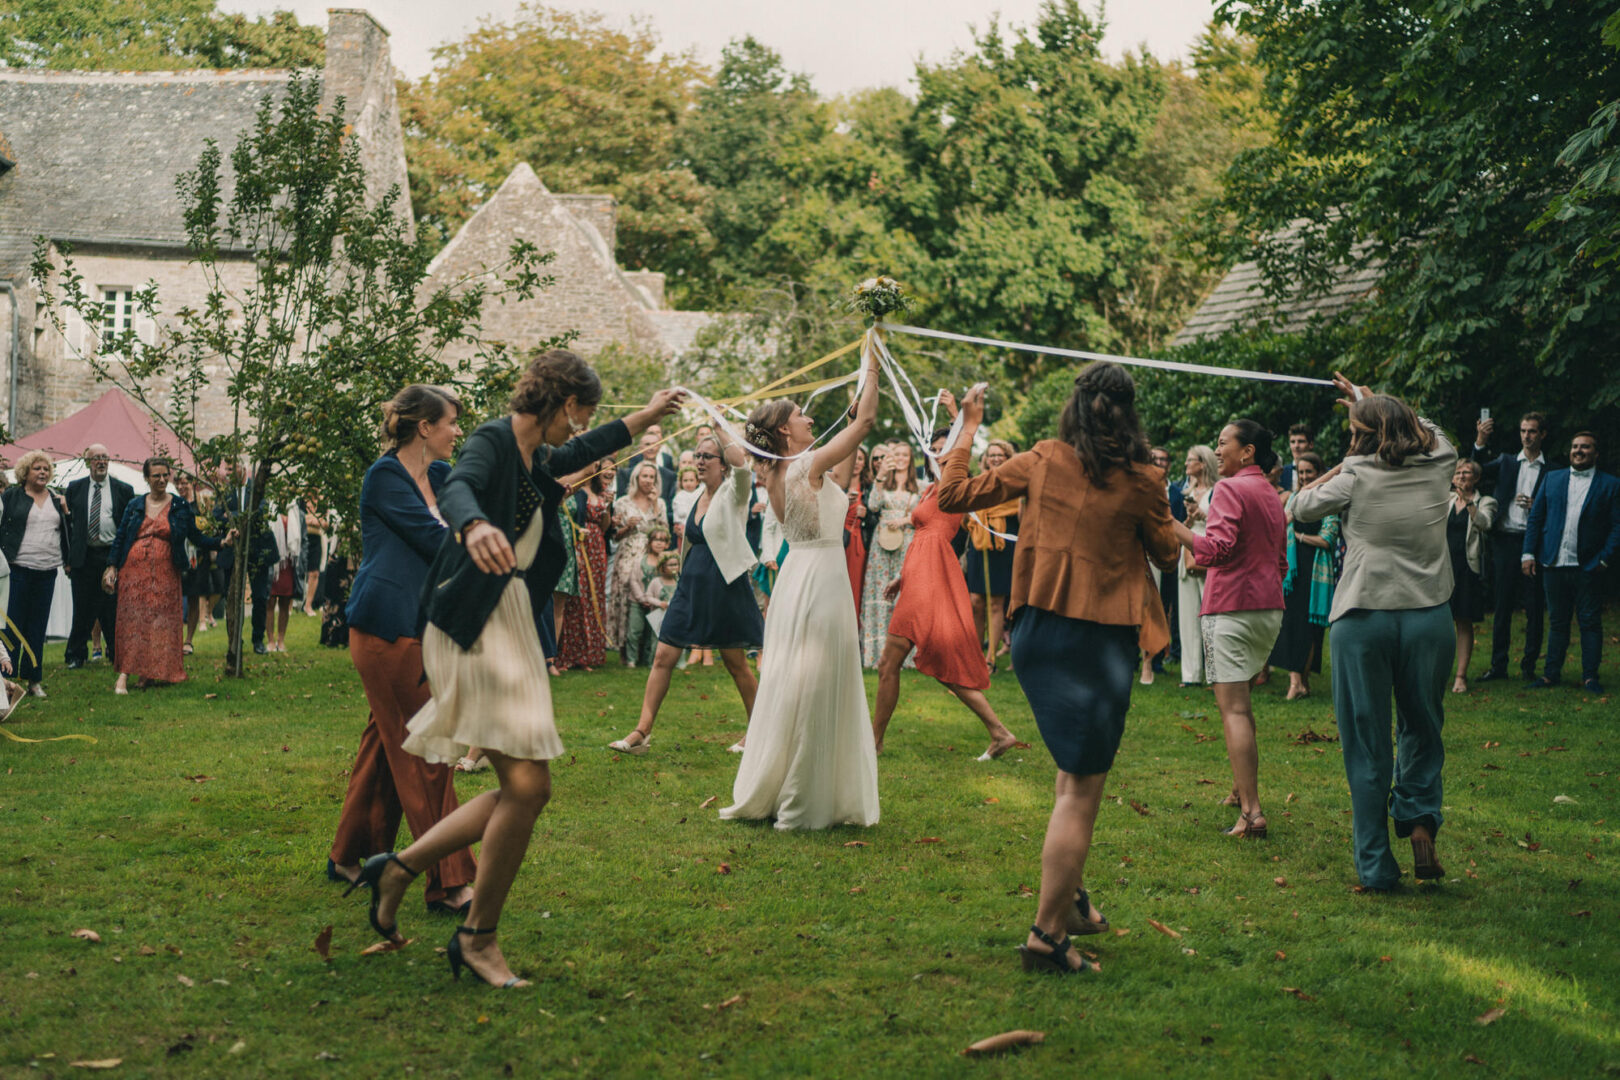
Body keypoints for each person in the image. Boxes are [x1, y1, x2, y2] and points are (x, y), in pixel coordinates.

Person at [357, 352, 681, 990]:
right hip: (477, 624)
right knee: (528, 788)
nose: (578, 426)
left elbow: (576, 453)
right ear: (564, 404)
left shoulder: (536, 454)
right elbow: (459, 485)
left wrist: (641, 416)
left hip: (506, 623)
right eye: (580, 413)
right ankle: (476, 937)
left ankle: (398, 869)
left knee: (526, 790)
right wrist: (472, 522)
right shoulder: (493, 441)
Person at [937, 364, 1178, 976]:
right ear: (1128, 413)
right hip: (1098, 643)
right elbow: (1167, 552)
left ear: (1075, 408)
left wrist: (966, 427)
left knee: (1068, 777)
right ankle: (1046, 935)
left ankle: (1069, 902)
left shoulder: (1042, 458)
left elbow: (952, 496)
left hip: (1036, 635)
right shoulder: (1144, 479)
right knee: (1079, 792)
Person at [1292, 376, 1456, 890]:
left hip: (1364, 617)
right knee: (1423, 727)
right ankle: (1421, 820)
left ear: (1362, 438)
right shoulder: (1441, 464)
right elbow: (1433, 431)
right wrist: (1375, 403)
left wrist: (1342, 465)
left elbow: (1295, 508)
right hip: (1429, 616)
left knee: (1366, 745)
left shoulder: (1353, 475)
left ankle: (1377, 868)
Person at [327, 385, 477, 915]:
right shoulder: (384, 477)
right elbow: (435, 541)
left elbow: (478, 501)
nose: (458, 432)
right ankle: (450, 879)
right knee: (427, 751)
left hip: (418, 626)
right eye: (452, 423)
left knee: (384, 748)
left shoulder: (439, 477)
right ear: (424, 428)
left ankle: (350, 855)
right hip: (386, 628)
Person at [721, 349, 882, 831]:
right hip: (821, 581)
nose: (810, 418)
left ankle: (790, 785)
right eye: (800, 415)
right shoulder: (804, 465)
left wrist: (853, 412)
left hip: (800, 580)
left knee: (800, 681)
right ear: (786, 431)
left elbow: (842, 478)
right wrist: (871, 363)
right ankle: (803, 797)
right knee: (818, 684)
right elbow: (869, 420)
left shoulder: (782, 473)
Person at [609, 427, 763, 754]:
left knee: (735, 663)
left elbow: (743, 465)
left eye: (707, 456)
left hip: (724, 585)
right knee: (664, 655)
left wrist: (719, 427)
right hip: (690, 585)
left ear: (723, 464)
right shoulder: (694, 497)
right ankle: (642, 731)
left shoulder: (735, 492)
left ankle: (758, 732)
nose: (699, 461)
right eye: (697, 457)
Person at [871, 425, 1020, 761]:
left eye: (946, 449)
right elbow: (922, 539)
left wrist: (961, 417)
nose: (939, 453)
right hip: (921, 573)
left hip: (933, 575)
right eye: (935, 448)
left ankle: (874, 742)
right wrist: (902, 578)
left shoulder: (957, 489)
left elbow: (934, 539)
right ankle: (999, 733)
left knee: (892, 661)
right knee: (925, 662)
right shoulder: (929, 490)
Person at [1171, 419, 1288, 839]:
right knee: (1243, 706)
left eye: (1223, 443)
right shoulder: (1272, 494)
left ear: (1248, 451)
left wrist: (1172, 527)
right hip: (1268, 608)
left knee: (1233, 710)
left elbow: (1215, 550)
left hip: (1231, 607)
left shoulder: (1230, 489)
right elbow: (1279, 558)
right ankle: (1241, 791)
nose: (1217, 451)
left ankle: (1252, 812)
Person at [106, 457, 231, 692]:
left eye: (166, 475)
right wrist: (112, 565)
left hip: (165, 572)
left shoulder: (179, 506)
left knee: (159, 622)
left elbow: (196, 537)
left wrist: (221, 542)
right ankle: (124, 674)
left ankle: (151, 671)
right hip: (134, 570)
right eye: (156, 476)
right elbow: (121, 536)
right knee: (133, 620)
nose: (162, 480)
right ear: (147, 478)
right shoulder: (135, 505)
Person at [1522, 431, 1620, 694]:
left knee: (1589, 621)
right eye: (1575, 446)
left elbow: (1617, 526)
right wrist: (1528, 553)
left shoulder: (1610, 485)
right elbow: (1536, 518)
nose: (1579, 451)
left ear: (1596, 453)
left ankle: (1590, 677)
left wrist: (1604, 559)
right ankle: (1550, 674)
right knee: (1557, 621)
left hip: (1589, 565)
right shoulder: (1552, 479)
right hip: (1553, 563)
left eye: (1585, 447)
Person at [1471, 411, 1551, 682]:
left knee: (1534, 605)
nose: (1526, 436)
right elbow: (1474, 470)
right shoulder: (1506, 462)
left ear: (1542, 434)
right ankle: (1498, 666)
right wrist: (1480, 440)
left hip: (1535, 543)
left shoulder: (1551, 469)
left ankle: (1529, 666)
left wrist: (1536, 504)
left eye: (1532, 431)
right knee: (1502, 604)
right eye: (1523, 431)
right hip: (1505, 540)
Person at [1, 451, 70, 697]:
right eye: (37, 468)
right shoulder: (12, 496)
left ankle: (33, 681)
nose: (42, 472)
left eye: (45, 469)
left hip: (47, 571)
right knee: (12, 628)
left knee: (36, 628)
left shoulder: (55, 498)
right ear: (25, 472)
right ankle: (6, 681)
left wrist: (66, 511)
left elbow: (66, 532)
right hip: (17, 569)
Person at [1268, 452, 1336, 700]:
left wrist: (1299, 537)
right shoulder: (1294, 499)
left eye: (1310, 471)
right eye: (1301, 472)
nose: (1305, 476)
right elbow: (1281, 527)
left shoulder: (1328, 500)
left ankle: (1303, 680)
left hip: (1316, 571)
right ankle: (1294, 682)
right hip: (1292, 570)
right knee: (1290, 625)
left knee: (1310, 629)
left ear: (1319, 473)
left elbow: (1328, 539)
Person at [64, 443, 135, 669]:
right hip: (84, 556)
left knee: (111, 608)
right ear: (88, 463)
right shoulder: (75, 488)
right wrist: (68, 559)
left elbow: (129, 526)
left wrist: (122, 560)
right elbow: (67, 526)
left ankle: (116, 654)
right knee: (82, 608)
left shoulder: (123, 489)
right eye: (96, 458)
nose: (101, 462)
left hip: (111, 556)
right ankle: (76, 655)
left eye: (105, 457)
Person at [861, 440, 920, 666]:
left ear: (911, 458)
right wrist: (880, 476)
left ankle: (906, 657)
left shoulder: (920, 486)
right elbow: (874, 506)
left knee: (904, 592)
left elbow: (924, 514)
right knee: (881, 589)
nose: (901, 458)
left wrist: (905, 520)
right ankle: (878, 654)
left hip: (906, 540)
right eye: (896, 454)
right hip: (881, 544)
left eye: (905, 455)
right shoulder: (882, 483)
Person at [963, 439, 1019, 671]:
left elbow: (1019, 513)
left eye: (1000, 455)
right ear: (985, 458)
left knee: (996, 602)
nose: (995, 458)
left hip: (1003, 545)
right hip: (979, 542)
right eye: (992, 454)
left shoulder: (1014, 484)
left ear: (1008, 458)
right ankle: (976, 655)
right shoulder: (978, 482)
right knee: (976, 600)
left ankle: (991, 658)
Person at [1446, 460, 1497, 693]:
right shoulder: (1445, 500)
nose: (1461, 476)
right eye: (1457, 472)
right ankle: (1437, 673)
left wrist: (1468, 502)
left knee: (1463, 621)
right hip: (1442, 567)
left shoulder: (1485, 501)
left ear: (1475, 478)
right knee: (1438, 620)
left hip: (1467, 569)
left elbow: (1484, 524)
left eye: (1466, 473)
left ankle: (1460, 676)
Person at [608, 461, 668, 662]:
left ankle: (649, 650)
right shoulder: (623, 502)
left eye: (652, 477)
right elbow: (614, 536)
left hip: (652, 556)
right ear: (636, 478)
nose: (648, 480)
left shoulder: (660, 503)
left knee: (652, 596)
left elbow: (665, 532)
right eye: (645, 476)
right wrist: (627, 527)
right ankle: (627, 649)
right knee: (627, 598)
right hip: (628, 553)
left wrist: (655, 505)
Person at [216, 461, 277, 655]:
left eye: (233, 468)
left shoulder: (257, 488)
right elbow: (217, 515)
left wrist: (232, 515)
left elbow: (260, 512)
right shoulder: (224, 493)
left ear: (243, 467)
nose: (230, 472)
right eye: (228, 469)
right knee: (232, 597)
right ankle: (234, 639)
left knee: (260, 596)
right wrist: (232, 516)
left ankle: (258, 640)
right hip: (232, 549)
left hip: (258, 548)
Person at [556, 461, 611, 672]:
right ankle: (567, 653)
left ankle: (588, 654)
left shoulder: (601, 491)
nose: (595, 467)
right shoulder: (576, 490)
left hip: (597, 546)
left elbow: (606, 527)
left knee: (593, 598)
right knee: (576, 601)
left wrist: (606, 508)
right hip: (578, 544)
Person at [1176, 445, 1219, 687]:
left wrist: (1204, 516)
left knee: (1211, 617)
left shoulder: (1217, 491)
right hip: (1187, 549)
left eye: (1190, 460)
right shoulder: (1186, 490)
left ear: (1202, 463)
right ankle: (1190, 675)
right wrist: (1190, 518)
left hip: (1208, 551)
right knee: (1188, 615)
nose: (1186, 465)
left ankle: (1216, 674)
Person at [623, 528, 672, 667]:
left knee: (653, 634)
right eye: (656, 540)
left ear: (667, 544)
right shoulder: (640, 561)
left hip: (656, 604)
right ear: (650, 542)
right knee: (634, 630)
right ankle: (631, 659)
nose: (659, 543)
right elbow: (633, 580)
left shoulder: (666, 563)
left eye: (662, 541)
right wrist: (641, 598)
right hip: (637, 601)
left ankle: (648, 660)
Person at [264, 500, 305, 652]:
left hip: (289, 563)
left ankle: (281, 640)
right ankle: (270, 640)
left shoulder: (297, 513)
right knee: (270, 600)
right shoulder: (269, 510)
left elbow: (303, 540)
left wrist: (302, 564)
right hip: (273, 562)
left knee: (285, 601)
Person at [843, 445, 871, 617]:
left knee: (855, 585)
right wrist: (842, 501)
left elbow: (877, 518)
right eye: (853, 458)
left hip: (859, 542)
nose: (856, 463)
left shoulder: (869, 487)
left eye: (860, 459)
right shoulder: (837, 485)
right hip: (839, 540)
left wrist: (866, 515)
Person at [302, 495, 327, 618]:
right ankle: (292, 605)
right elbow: (299, 519)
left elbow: (324, 523)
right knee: (299, 571)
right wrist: (312, 520)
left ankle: (308, 605)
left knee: (314, 573)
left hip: (316, 540)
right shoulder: (301, 502)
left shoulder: (322, 504)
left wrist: (314, 520)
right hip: (302, 539)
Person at [1279, 424, 1314, 492]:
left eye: (1301, 441)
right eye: (1293, 442)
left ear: (1311, 445)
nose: (1296, 446)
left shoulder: (1326, 472)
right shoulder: (1281, 473)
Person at [671, 466, 700, 544]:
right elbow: (678, 515)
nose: (688, 483)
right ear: (681, 482)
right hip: (682, 527)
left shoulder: (700, 493)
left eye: (691, 480)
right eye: (685, 480)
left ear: (697, 481)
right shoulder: (679, 496)